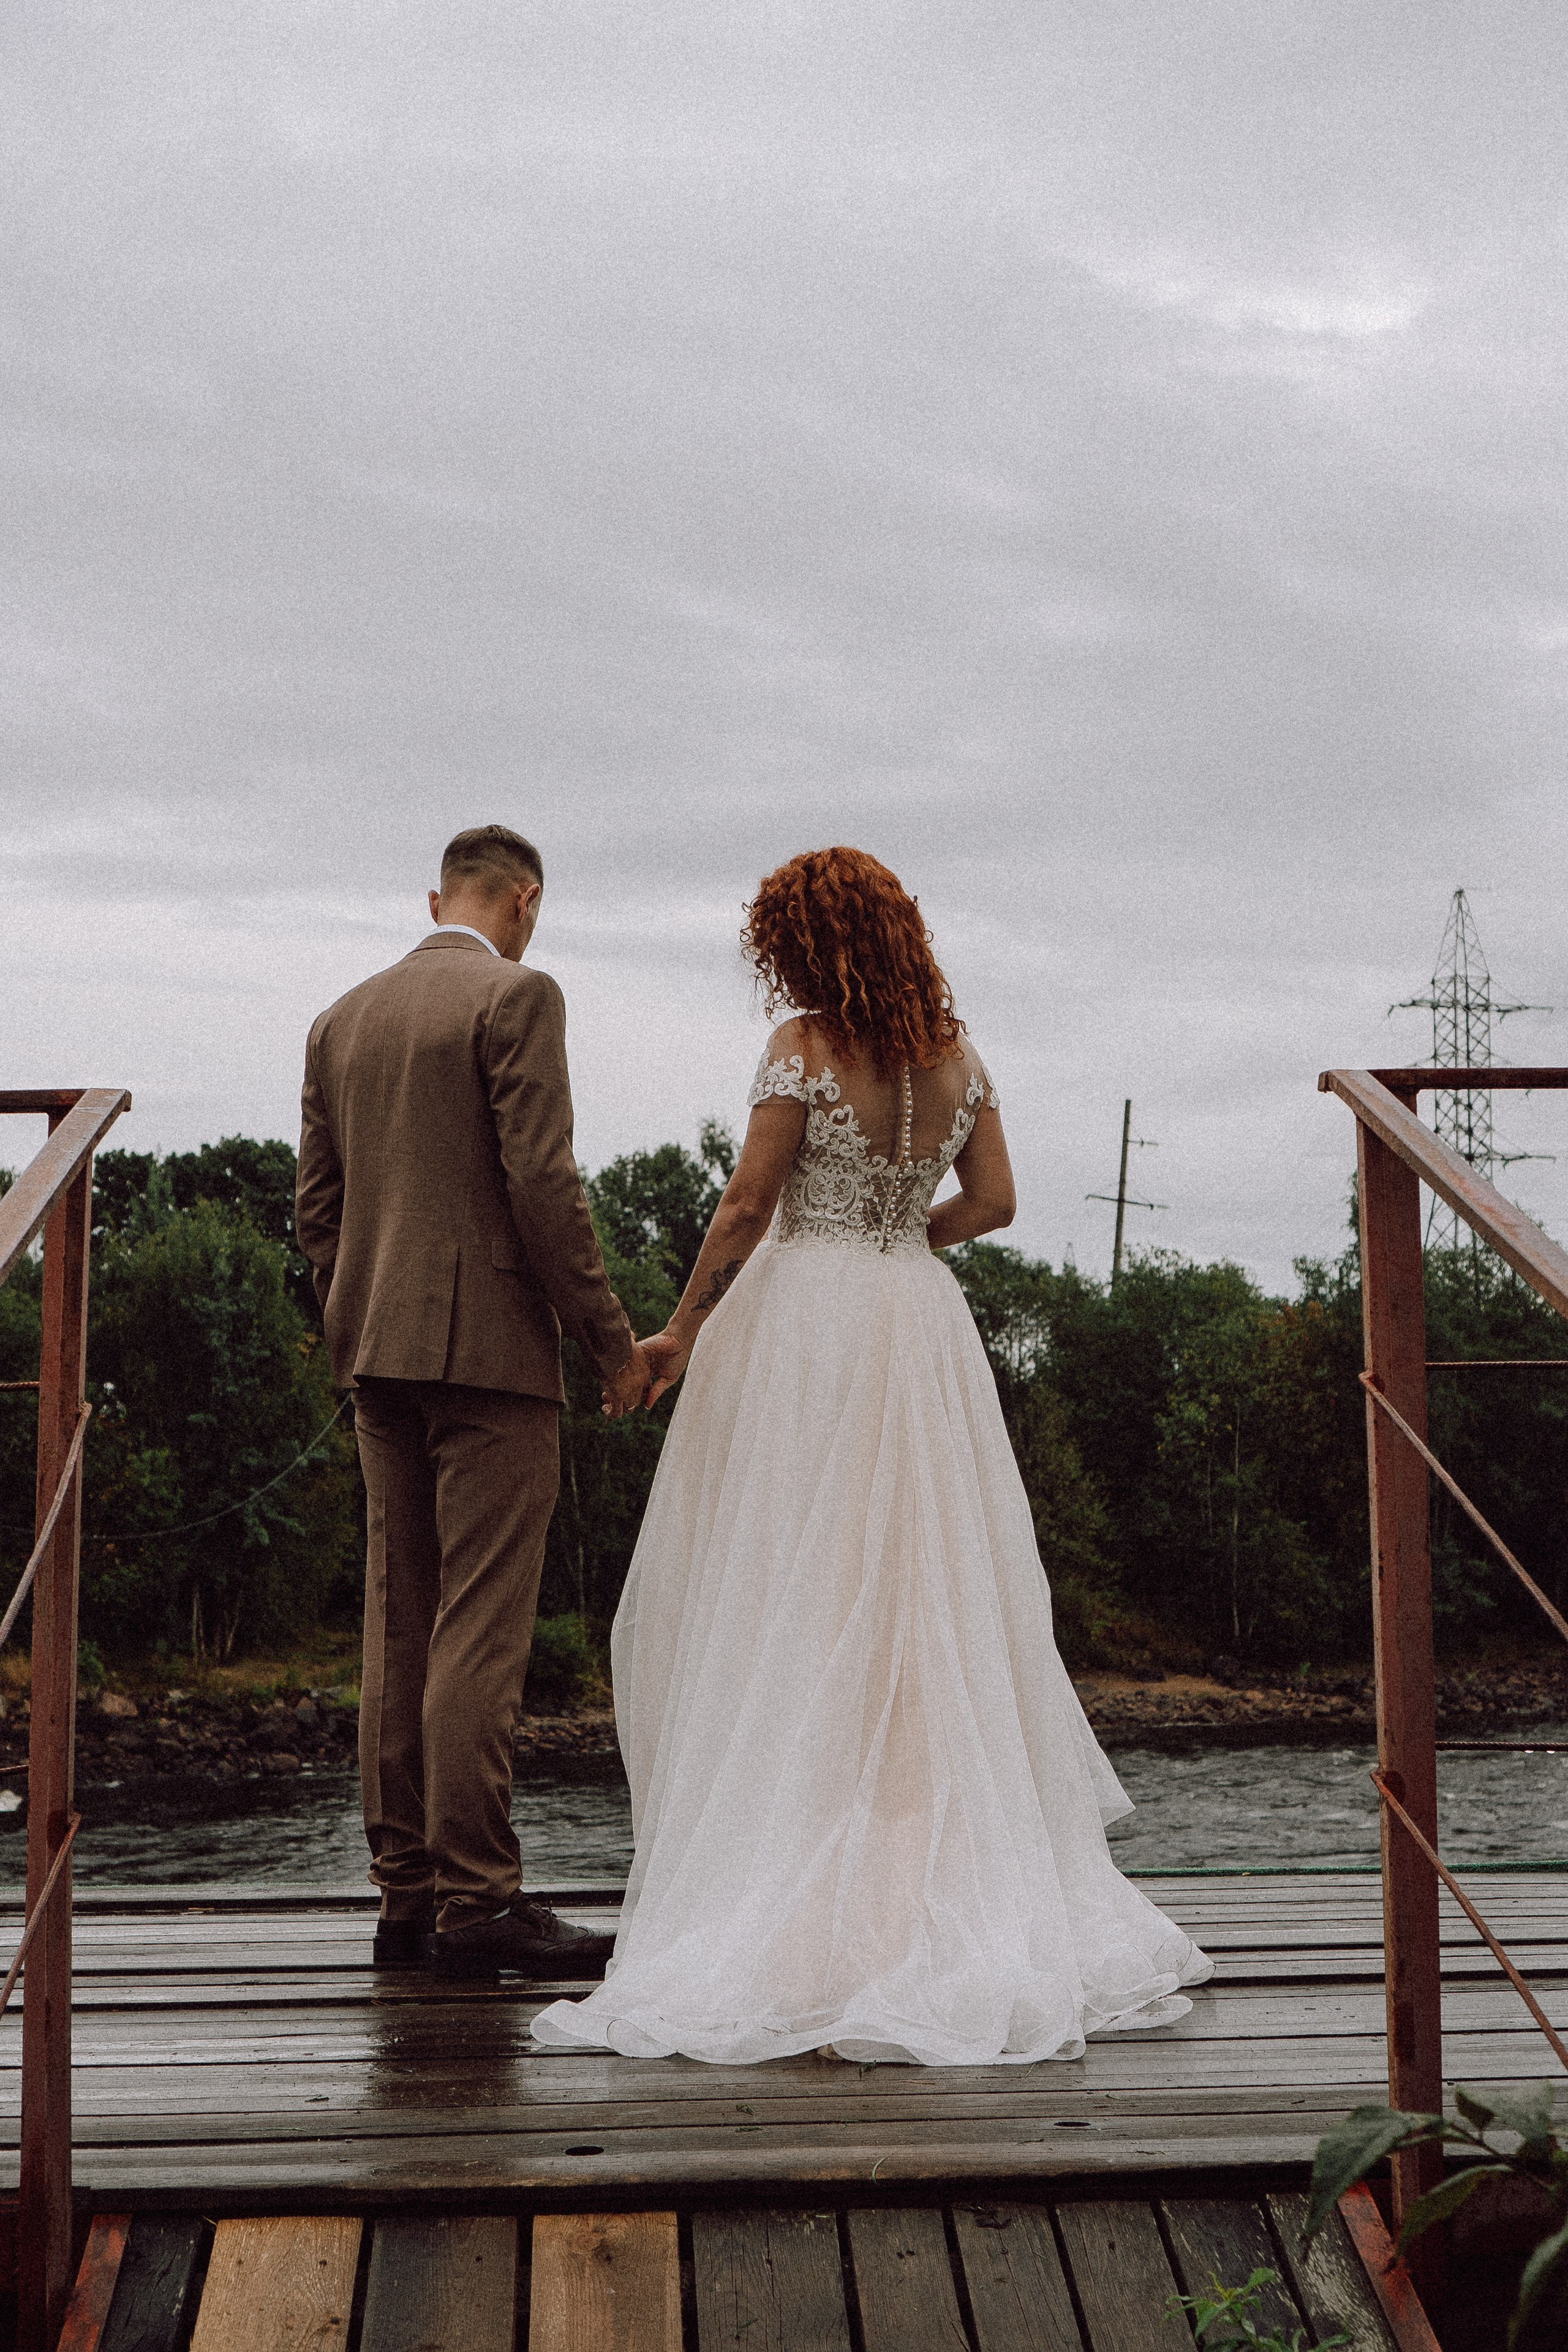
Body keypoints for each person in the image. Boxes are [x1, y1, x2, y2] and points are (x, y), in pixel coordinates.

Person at [533, 845, 1210, 2064]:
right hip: (914, 1319)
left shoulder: (800, 1044)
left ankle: (805, 1898)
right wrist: (904, 1234)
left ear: (797, 943)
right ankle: (920, 1884)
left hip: (808, 1324)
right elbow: (994, 1202)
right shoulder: (957, 1054)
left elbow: (745, 1206)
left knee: (788, 1584)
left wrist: (679, 1327)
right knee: (918, 1597)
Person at [296, 824, 651, 1980]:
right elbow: (545, 1186)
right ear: (526, 900)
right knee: (481, 1636)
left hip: (375, 1359)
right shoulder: (520, 998)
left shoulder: (341, 1018)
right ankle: (482, 1904)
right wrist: (609, 1343)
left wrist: (355, 1323)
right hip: (493, 1360)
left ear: (435, 895)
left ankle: (406, 1899)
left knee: (397, 1628)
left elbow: (318, 1212)